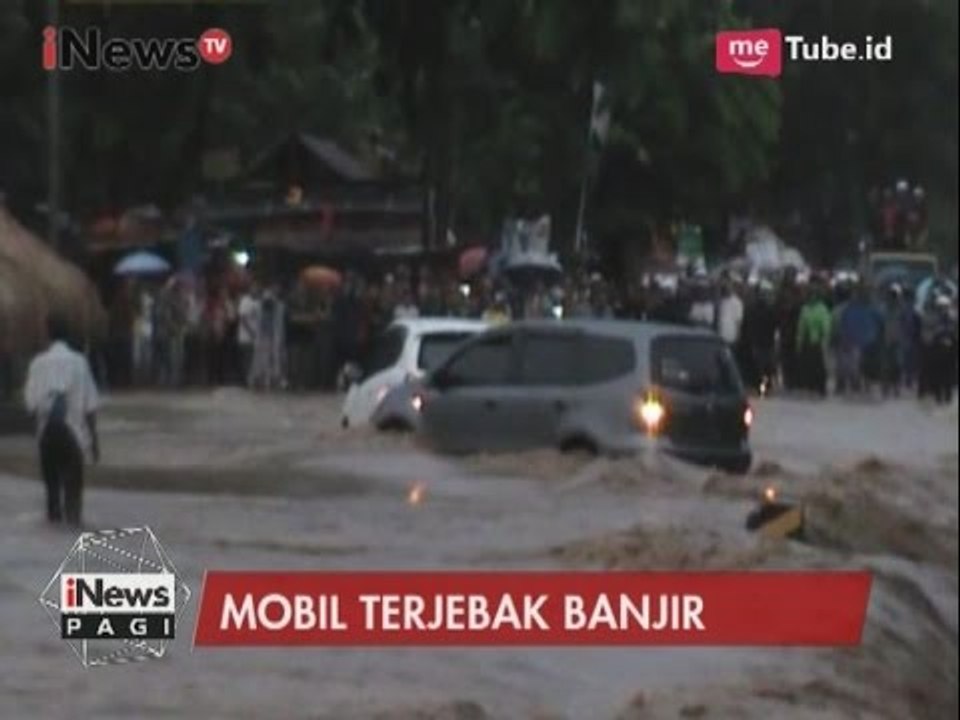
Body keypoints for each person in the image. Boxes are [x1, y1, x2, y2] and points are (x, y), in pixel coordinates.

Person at [24, 315, 100, 526]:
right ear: (68, 335)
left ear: (47, 334)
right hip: (73, 434)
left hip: (46, 434)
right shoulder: (80, 363)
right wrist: (94, 442)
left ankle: (54, 524)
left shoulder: (37, 364)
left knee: (52, 496)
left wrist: (38, 437)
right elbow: (90, 407)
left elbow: (30, 406)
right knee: (73, 495)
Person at [795, 282, 831, 396]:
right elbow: (801, 326)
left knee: (819, 366)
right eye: (810, 294)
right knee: (807, 365)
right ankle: (809, 387)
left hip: (817, 341)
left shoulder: (822, 309)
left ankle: (820, 388)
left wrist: (824, 339)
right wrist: (799, 342)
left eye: (813, 294)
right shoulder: (805, 308)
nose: (811, 296)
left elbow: (826, 325)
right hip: (806, 340)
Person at [237, 282, 262, 386]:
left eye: (256, 289)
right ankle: (244, 380)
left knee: (252, 360)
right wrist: (251, 331)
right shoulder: (245, 301)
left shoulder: (257, 302)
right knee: (246, 359)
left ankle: (251, 379)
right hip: (245, 336)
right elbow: (243, 318)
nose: (255, 291)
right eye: (253, 288)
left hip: (255, 337)